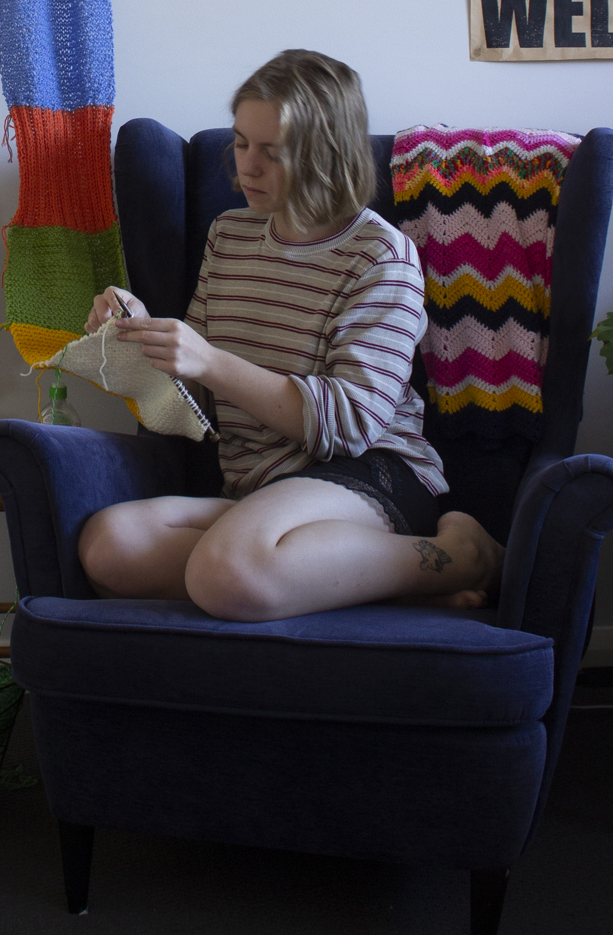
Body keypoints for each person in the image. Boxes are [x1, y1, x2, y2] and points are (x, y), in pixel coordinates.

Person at [78, 49, 505, 621]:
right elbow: (199, 404)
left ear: (327, 155)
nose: (246, 168)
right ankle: (374, 583)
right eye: (240, 142)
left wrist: (207, 360)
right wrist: (140, 333)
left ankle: (462, 555)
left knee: (224, 573)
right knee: (110, 546)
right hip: (260, 488)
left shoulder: (380, 256)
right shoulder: (228, 235)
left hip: (367, 474)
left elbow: (352, 424)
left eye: (272, 152)